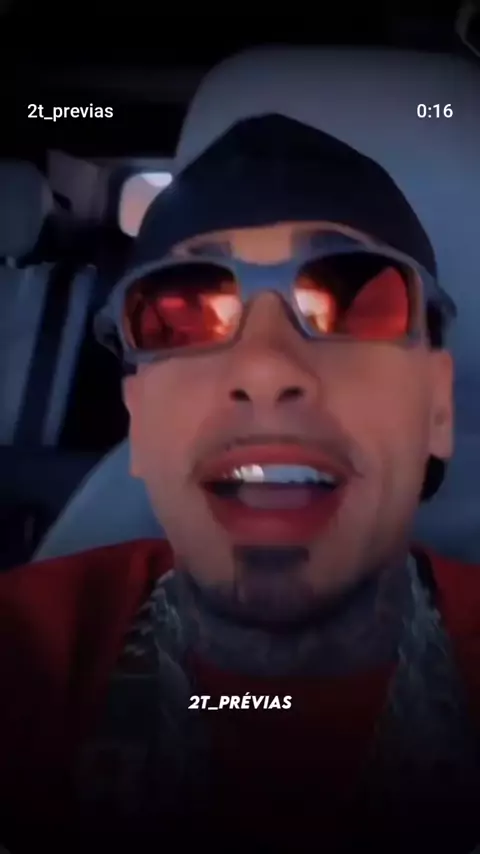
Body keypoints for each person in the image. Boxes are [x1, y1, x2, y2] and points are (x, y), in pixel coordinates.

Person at [1, 112, 480, 854]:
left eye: (355, 300)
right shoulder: (25, 648)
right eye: (181, 315)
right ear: (137, 417)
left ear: (439, 407)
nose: (265, 369)